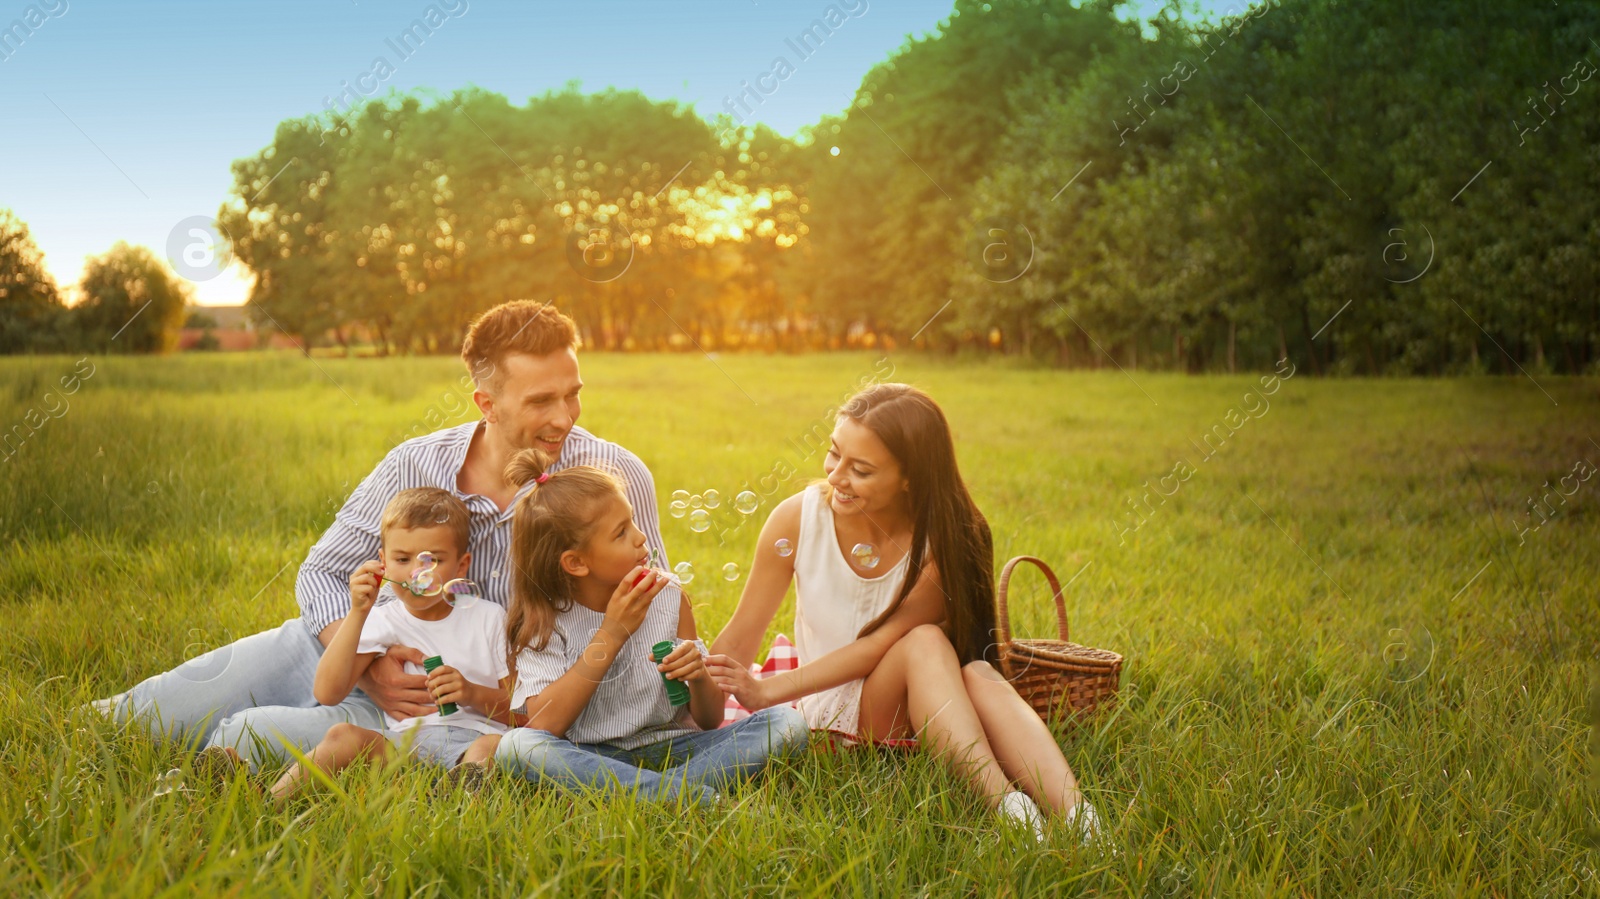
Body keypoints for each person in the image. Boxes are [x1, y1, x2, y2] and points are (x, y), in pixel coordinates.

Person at [96, 301, 674, 770]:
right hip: (356, 649)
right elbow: (322, 572)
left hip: (469, 702)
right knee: (144, 719)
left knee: (260, 737)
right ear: (486, 404)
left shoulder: (611, 477)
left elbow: (652, 608)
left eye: (572, 392)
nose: (565, 416)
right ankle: (91, 721)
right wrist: (369, 672)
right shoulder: (414, 464)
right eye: (541, 400)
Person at [706, 383, 1103, 842]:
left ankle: (1082, 819)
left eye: (862, 469)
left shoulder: (947, 538)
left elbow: (879, 646)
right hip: (836, 711)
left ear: (910, 476)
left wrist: (766, 689)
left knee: (976, 672)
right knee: (927, 642)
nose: (836, 476)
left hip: (925, 703)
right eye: (834, 454)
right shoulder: (799, 519)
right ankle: (1010, 809)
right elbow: (743, 632)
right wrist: (704, 698)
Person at [485, 448, 809, 805]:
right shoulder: (544, 621)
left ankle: (647, 796)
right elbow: (547, 726)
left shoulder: (668, 596)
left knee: (785, 724)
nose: (641, 538)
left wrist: (699, 676)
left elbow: (709, 719)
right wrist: (613, 632)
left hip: (676, 748)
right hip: (590, 756)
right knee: (518, 746)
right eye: (621, 533)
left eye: (633, 522)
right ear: (576, 562)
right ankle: (689, 798)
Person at [256, 487, 512, 800]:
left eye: (433, 560)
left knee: (492, 748)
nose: (416, 573)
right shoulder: (383, 619)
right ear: (383, 563)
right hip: (404, 747)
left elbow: (522, 713)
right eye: (402, 559)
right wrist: (358, 612)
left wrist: (472, 693)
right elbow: (327, 692)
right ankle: (269, 802)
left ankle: (451, 806)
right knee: (343, 735)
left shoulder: (489, 618)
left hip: (475, 741)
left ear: (461, 566)